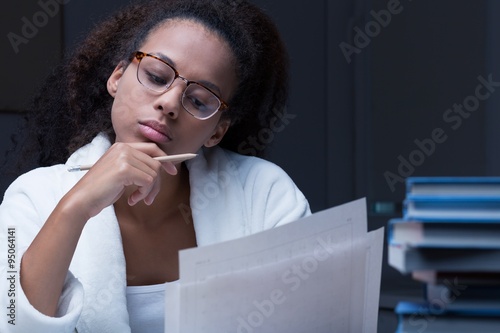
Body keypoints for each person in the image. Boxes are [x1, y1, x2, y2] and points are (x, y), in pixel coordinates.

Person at [0, 0, 310, 332]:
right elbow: (13, 320)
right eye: (157, 75)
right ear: (118, 77)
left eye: (199, 100)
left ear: (217, 130)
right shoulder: (32, 196)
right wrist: (76, 207)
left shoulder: (265, 195)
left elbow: (312, 320)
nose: (169, 103)